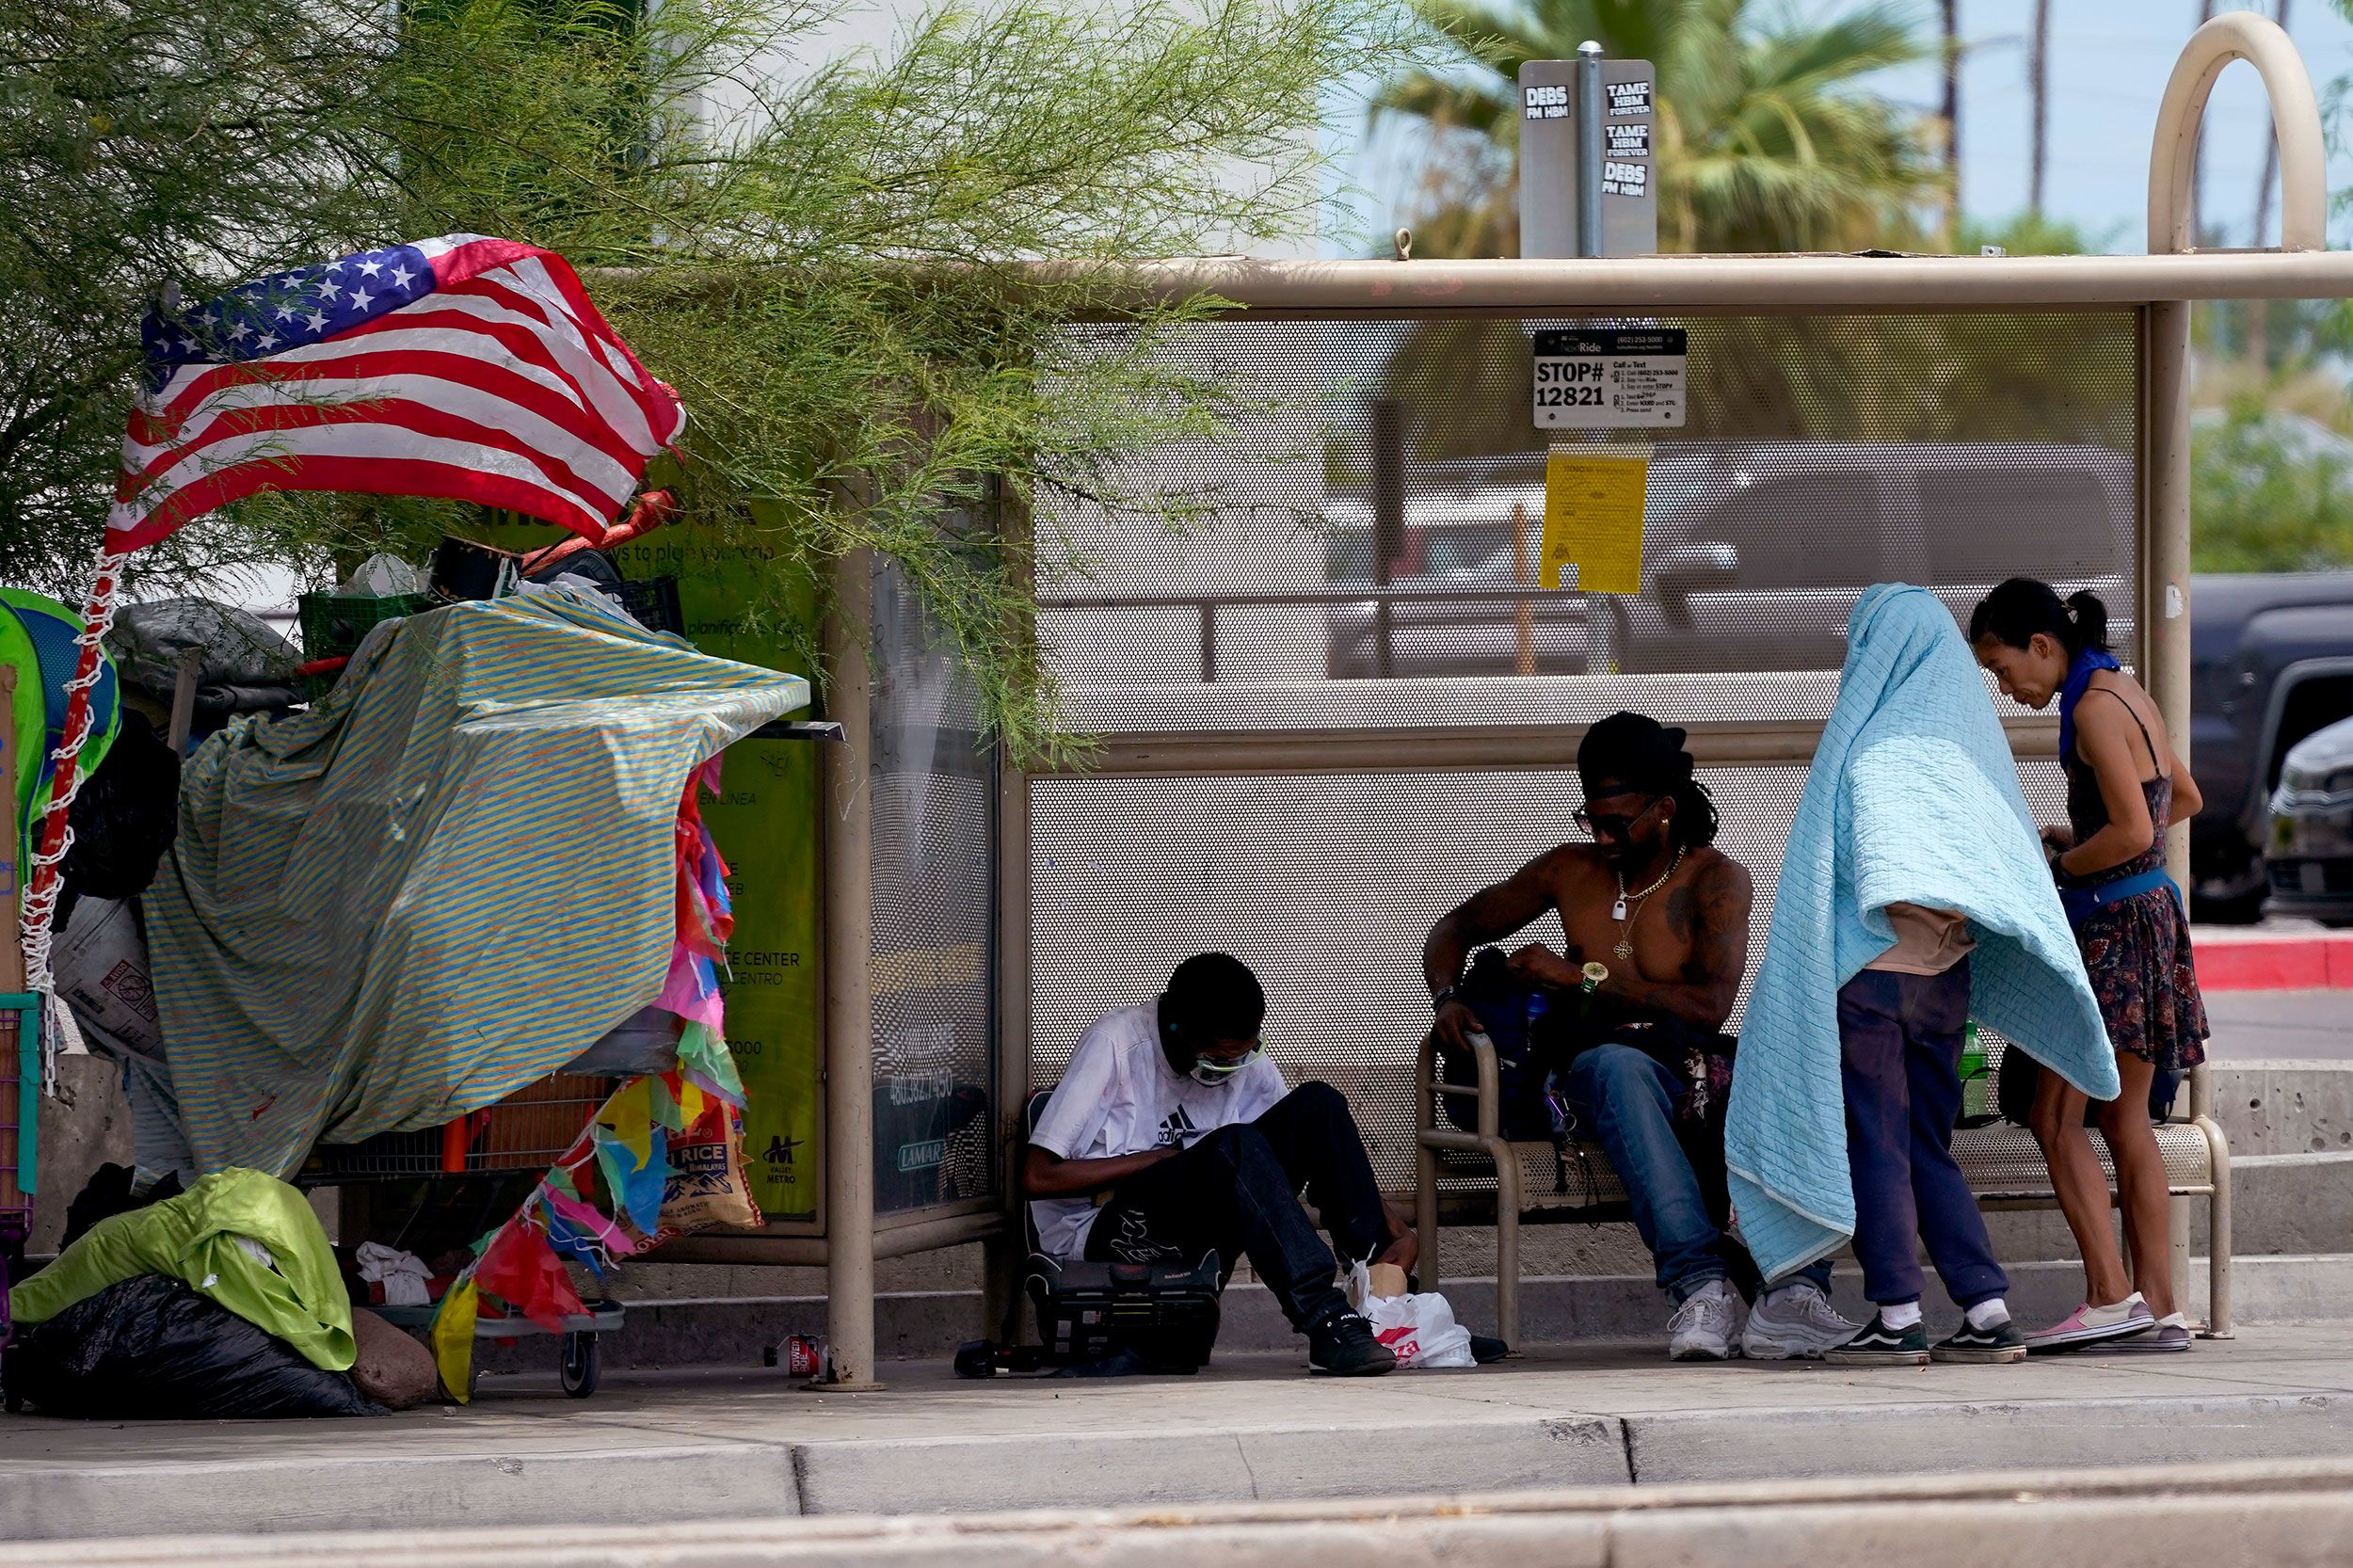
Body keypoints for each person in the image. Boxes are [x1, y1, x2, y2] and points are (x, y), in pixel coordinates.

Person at [1729, 586, 2112, 1369]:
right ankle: (1986, 1306)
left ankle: (1899, 1313)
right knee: (1928, 1145)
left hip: (1872, 980)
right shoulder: (1971, 753)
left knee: (1875, 1142)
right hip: (1946, 984)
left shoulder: (1878, 749)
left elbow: (1875, 868)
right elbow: (1995, 872)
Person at [1424, 712, 1855, 1362]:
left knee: (1791, 1076)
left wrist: (1584, 979)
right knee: (1613, 1067)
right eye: (1589, 819)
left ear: (1663, 808)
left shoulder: (1714, 880)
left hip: (1687, 1059)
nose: (1601, 837)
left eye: (1617, 821)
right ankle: (1698, 1287)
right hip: (1593, 1069)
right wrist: (1448, 997)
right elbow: (1453, 928)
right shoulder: (1568, 871)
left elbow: (1708, 1007)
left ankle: (1793, 1291)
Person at [1972, 579, 2210, 1353]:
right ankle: (2161, 1306)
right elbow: (2186, 797)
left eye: (2006, 670)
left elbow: (2137, 828)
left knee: (2053, 1116)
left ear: (2043, 645)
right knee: (2126, 1117)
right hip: (2153, 920)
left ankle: (2110, 1296)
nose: (2008, 690)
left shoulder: (2090, 708)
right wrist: (2089, 832)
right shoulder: (2126, 689)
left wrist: (2070, 860)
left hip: (2111, 928)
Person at [1024, 952, 1414, 1376]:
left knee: (1319, 1106)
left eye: (1239, 1059)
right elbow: (1038, 1176)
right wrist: (1149, 1162)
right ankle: (1327, 1319)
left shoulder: (1240, 1052)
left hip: (1197, 1215)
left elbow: (1310, 1153)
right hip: (1106, 1228)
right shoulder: (1116, 1044)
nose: (1228, 1072)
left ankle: (1393, 1308)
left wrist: (1395, 1227)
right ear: (1175, 1028)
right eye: (1215, 1061)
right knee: (1236, 1145)